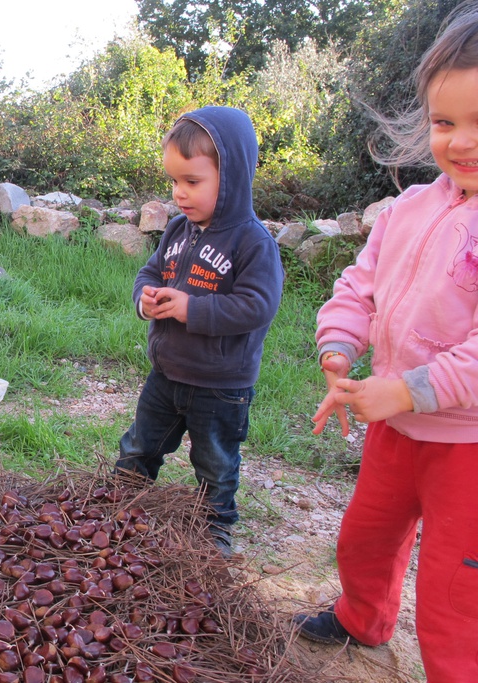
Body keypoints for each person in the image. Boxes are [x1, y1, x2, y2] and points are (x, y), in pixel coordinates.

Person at [295, 5, 478, 679]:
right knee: (365, 537)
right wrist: (338, 348)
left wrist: (404, 390)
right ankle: (362, 618)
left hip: (467, 446)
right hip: (395, 429)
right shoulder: (407, 209)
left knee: (456, 589)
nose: (461, 141)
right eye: (444, 121)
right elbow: (359, 287)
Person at [116, 106, 284, 557]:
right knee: (140, 445)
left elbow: (257, 306)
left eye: (192, 181)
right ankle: (118, 502)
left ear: (231, 177)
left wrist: (193, 309)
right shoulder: (177, 229)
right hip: (167, 372)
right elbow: (151, 272)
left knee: (215, 464)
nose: (180, 193)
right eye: (174, 181)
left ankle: (215, 529)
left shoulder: (252, 241)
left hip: (221, 384)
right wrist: (145, 297)